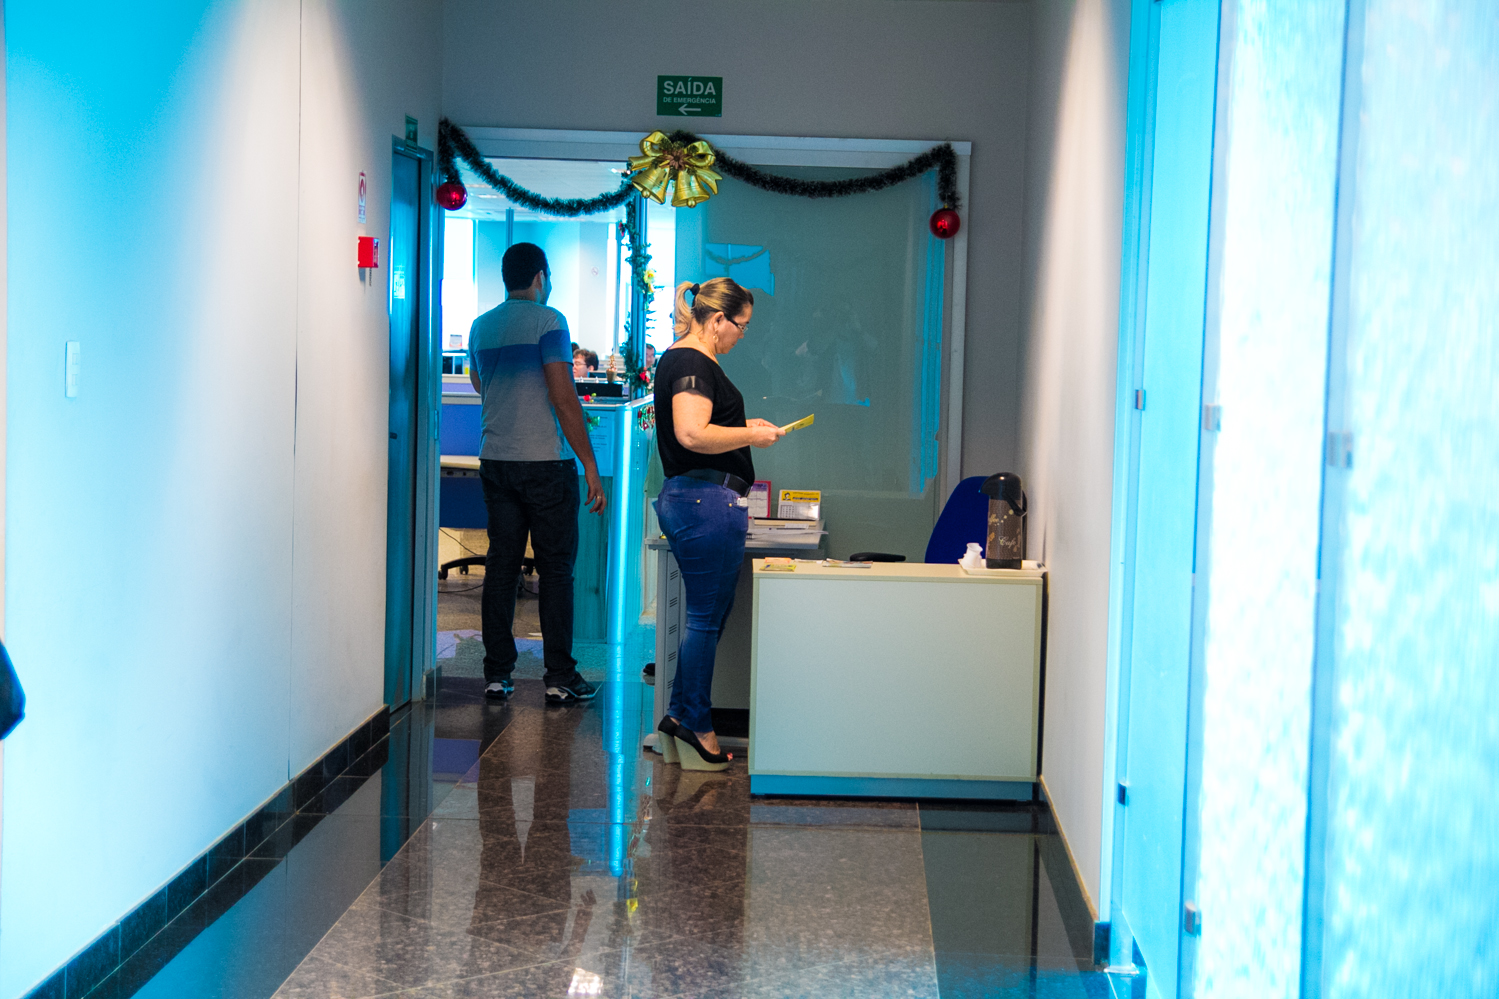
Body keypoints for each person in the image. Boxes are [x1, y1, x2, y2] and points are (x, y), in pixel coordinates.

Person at [652, 278, 784, 770]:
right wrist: (750, 434)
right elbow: (691, 433)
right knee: (705, 620)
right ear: (717, 319)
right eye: (741, 326)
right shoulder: (692, 361)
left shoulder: (686, 358)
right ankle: (697, 726)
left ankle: (678, 716)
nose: (742, 335)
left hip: (696, 500)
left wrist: (747, 431)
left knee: (706, 619)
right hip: (705, 501)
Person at [468, 242, 606, 704]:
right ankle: (560, 676)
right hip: (545, 463)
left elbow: (480, 383)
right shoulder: (550, 321)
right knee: (556, 570)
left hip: (496, 460)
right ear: (541, 277)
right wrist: (589, 463)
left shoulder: (481, 325)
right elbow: (563, 395)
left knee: (501, 567)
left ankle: (496, 674)